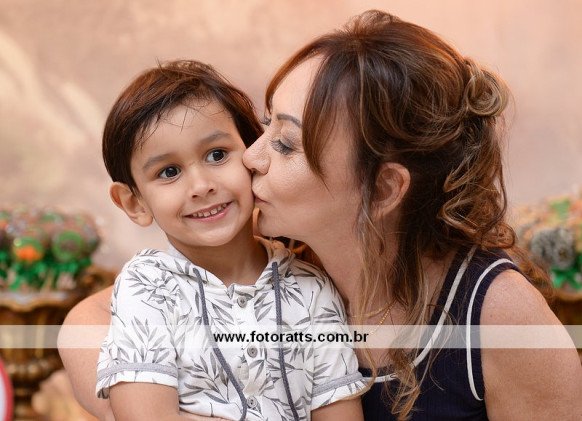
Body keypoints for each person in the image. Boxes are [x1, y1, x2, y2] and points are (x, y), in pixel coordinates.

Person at [60, 10, 582, 421]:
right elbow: (88, 320)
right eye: (265, 124)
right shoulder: (286, 253)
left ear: (383, 189)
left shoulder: (495, 312)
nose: (251, 157)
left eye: (286, 144)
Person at [71, 59, 365, 421]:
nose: (201, 186)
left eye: (217, 155)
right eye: (169, 172)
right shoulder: (146, 289)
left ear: (253, 153)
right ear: (135, 203)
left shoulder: (313, 290)